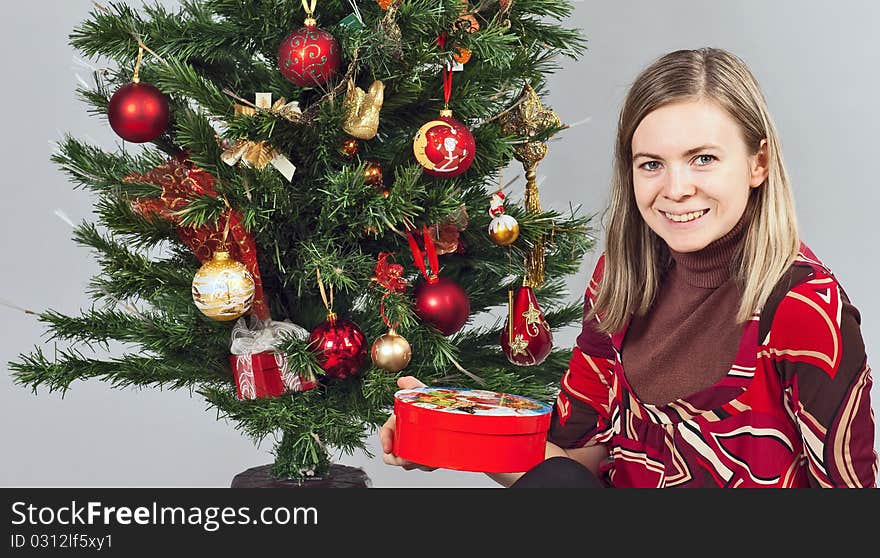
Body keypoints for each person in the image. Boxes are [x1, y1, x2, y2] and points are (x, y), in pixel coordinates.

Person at [379, 47, 878, 488]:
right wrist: (449, 431)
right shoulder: (620, 281)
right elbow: (571, 466)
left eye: (703, 159)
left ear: (758, 164)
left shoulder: (804, 308)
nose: (676, 188)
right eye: (651, 164)